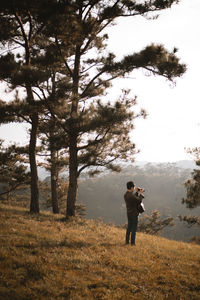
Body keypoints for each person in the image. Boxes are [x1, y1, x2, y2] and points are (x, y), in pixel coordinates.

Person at [124, 181, 144, 246]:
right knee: (134, 229)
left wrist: (137, 192)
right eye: (134, 187)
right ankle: (132, 243)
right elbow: (138, 200)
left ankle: (127, 241)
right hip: (134, 214)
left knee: (129, 228)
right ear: (132, 187)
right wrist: (140, 194)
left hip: (129, 213)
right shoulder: (131, 196)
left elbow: (134, 199)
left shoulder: (126, 194)